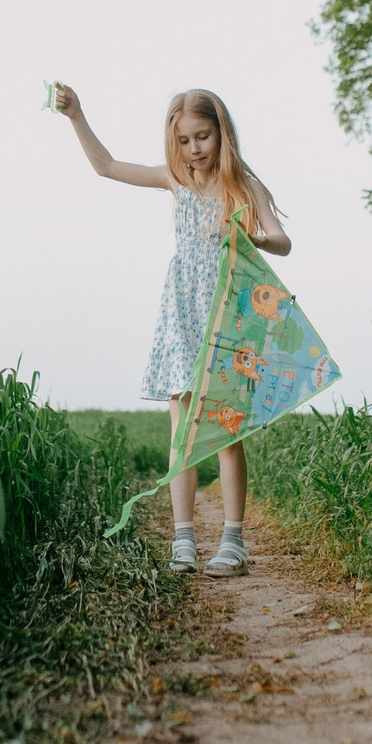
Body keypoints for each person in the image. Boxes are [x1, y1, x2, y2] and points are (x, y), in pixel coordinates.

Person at [52, 83, 289, 576]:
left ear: (221, 133)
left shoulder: (243, 185)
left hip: (228, 313)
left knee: (225, 432)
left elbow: (283, 241)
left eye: (202, 137)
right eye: (183, 141)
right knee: (182, 429)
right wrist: (77, 115)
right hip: (181, 312)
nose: (194, 149)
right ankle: (183, 540)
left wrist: (249, 236)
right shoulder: (174, 181)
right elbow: (108, 167)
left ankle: (233, 541)